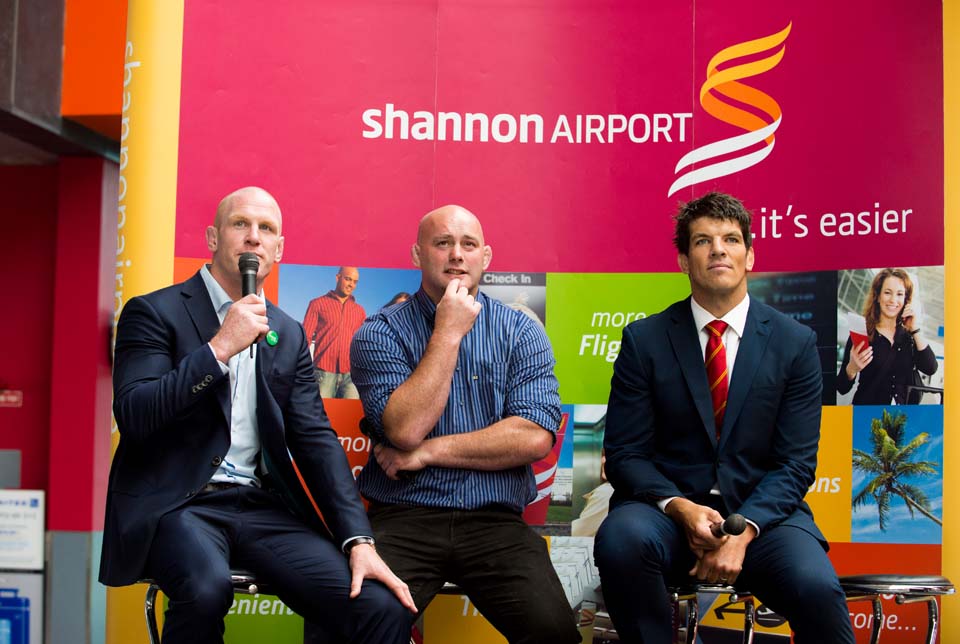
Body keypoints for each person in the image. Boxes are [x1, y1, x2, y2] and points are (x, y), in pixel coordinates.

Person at [99, 187, 414, 644]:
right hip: (180, 505)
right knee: (205, 592)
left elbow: (315, 441)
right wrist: (219, 349)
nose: (253, 238)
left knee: (379, 607)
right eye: (240, 225)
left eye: (266, 229)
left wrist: (358, 541)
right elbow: (136, 414)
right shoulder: (153, 312)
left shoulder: (286, 333)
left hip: (258, 506)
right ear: (213, 237)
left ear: (279, 248)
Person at [593, 192, 854, 643]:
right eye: (702, 241)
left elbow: (795, 465)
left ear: (749, 255)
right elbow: (624, 455)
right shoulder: (645, 340)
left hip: (764, 521)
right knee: (620, 541)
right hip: (668, 519)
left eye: (731, 239)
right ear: (683, 259)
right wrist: (680, 508)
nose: (718, 249)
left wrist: (743, 531)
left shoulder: (795, 343)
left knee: (816, 587)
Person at [348, 205, 581, 644]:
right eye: (443, 243)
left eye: (468, 245)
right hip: (404, 518)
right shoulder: (379, 332)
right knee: (354, 623)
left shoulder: (521, 331)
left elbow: (534, 436)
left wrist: (426, 453)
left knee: (555, 633)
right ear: (417, 254)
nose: (457, 255)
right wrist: (448, 333)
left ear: (485, 257)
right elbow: (404, 429)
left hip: (495, 525)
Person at [837, 268, 938, 404]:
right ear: (878, 296)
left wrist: (914, 329)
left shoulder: (910, 337)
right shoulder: (863, 334)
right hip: (868, 416)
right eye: (887, 293)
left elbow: (930, 368)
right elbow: (842, 388)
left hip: (902, 418)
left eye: (899, 294)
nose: (893, 300)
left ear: (906, 300)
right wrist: (852, 369)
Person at [302, 266, 366, 399]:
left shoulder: (360, 311)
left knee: (348, 417)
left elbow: (362, 344)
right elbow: (305, 338)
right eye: (348, 279)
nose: (351, 285)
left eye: (355, 282)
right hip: (323, 373)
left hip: (351, 377)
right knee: (320, 416)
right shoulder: (317, 304)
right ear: (338, 278)